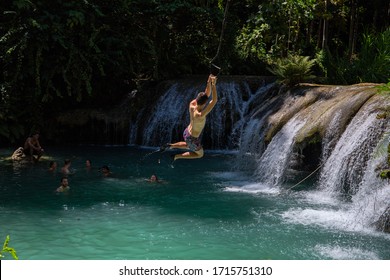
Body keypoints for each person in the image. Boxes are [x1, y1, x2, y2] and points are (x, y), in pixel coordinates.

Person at [161, 74, 218, 162]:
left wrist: (209, 80)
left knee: (188, 144)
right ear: (203, 104)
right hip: (192, 138)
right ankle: (177, 156)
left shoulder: (192, 104)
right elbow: (214, 100)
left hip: (187, 132)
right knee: (200, 154)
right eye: (206, 103)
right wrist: (213, 85)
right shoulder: (200, 115)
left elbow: (206, 93)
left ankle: (171, 145)